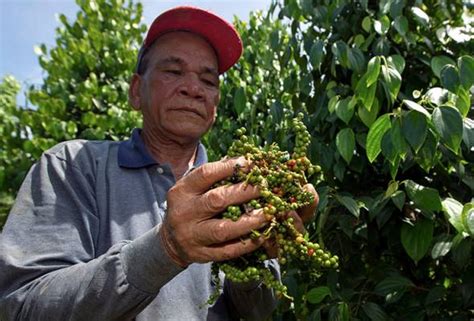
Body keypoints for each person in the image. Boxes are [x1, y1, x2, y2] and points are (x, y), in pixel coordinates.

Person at [0, 6, 318, 321]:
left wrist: (252, 254)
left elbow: (258, 310)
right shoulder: (72, 166)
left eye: (208, 81)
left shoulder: (238, 190)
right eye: (173, 71)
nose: (193, 89)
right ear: (136, 91)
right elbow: (21, 306)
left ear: (216, 106)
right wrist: (163, 249)